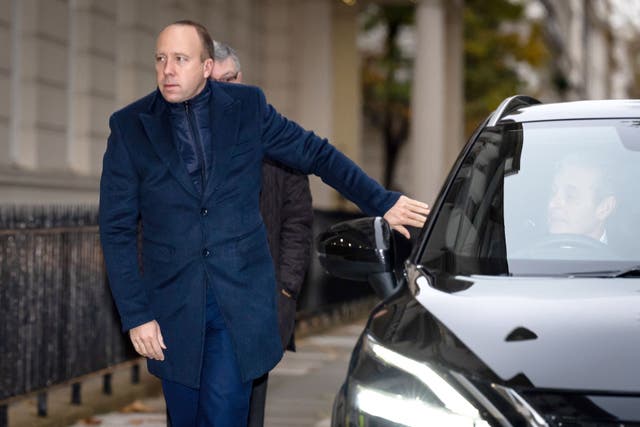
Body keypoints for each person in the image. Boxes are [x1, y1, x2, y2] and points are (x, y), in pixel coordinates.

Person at [99, 20, 429, 427]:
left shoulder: (247, 109)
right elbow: (115, 228)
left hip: (238, 304)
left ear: (205, 67)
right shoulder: (130, 127)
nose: (168, 69)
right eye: (161, 59)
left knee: (224, 418)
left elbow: (316, 153)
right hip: (173, 311)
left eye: (180, 59)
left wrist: (381, 201)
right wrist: (136, 313)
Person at [211, 40, 312, 427]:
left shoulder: (278, 137)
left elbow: (298, 222)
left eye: (231, 78)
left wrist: (285, 289)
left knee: (249, 416)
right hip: (196, 307)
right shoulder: (179, 138)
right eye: (215, 82)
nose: (226, 89)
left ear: (243, 77)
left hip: (257, 309)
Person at [547, 152, 616, 243]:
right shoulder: (528, 253)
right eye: (553, 192)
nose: (552, 204)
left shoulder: (629, 255)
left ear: (605, 208)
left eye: (570, 196)